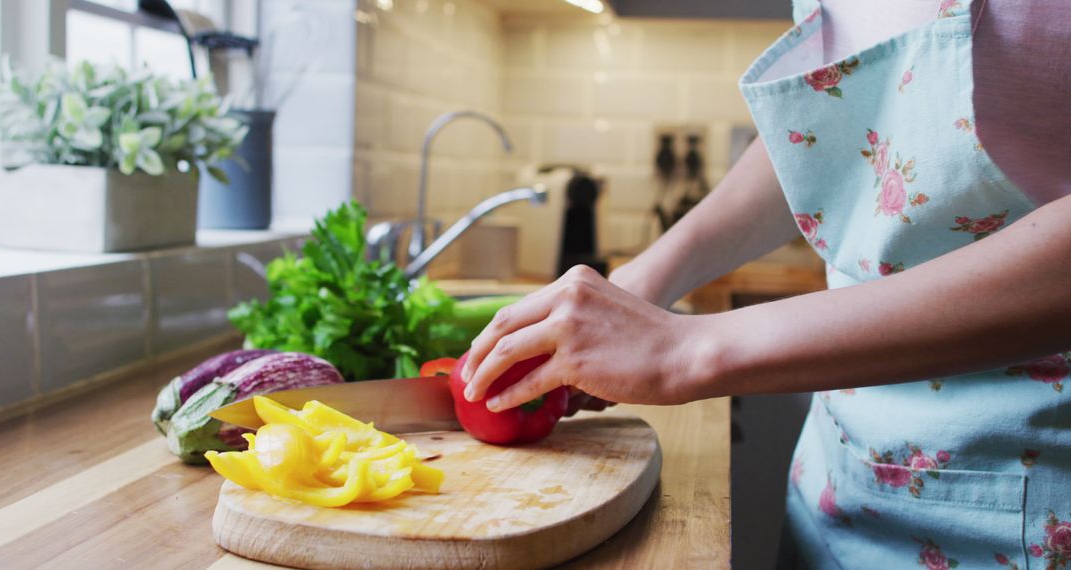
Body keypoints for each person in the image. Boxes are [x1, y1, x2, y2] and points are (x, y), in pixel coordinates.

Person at [458, 0, 1071, 567]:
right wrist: (645, 277)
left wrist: (685, 349)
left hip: (1030, 510)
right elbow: (833, 138)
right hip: (839, 481)